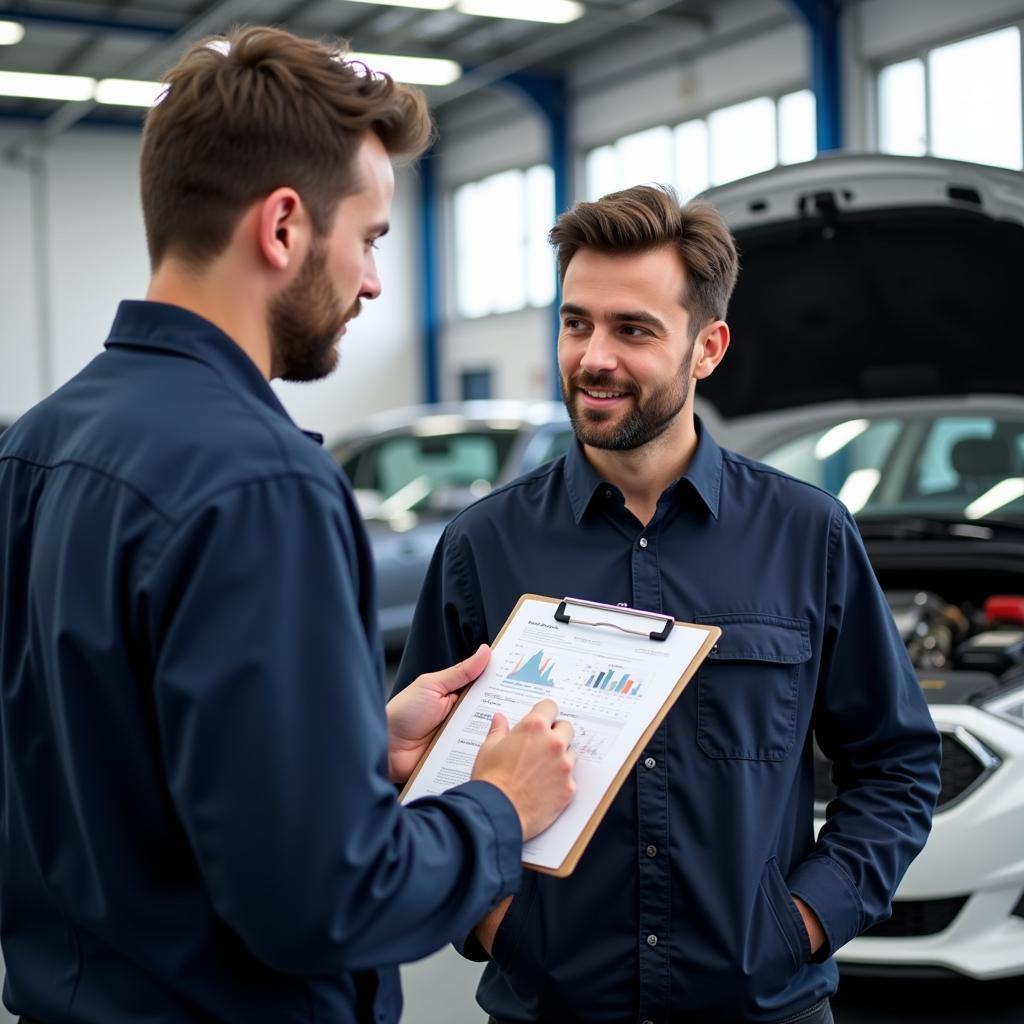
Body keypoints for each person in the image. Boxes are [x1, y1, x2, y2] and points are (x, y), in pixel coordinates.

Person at [0, 26, 577, 1024]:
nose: (372, 283)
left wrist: (352, 739)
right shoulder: (263, 482)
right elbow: (325, 901)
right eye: (370, 239)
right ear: (281, 227)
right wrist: (497, 805)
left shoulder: (36, 447)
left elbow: (101, 757)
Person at [395, 184, 943, 1024]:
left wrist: (805, 921)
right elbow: (422, 770)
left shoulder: (809, 535)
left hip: (764, 1007)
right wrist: (498, 926)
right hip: (553, 1005)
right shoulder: (483, 547)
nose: (593, 356)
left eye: (634, 329)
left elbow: (897, 763)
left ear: (707, 347)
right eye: (576, 322)